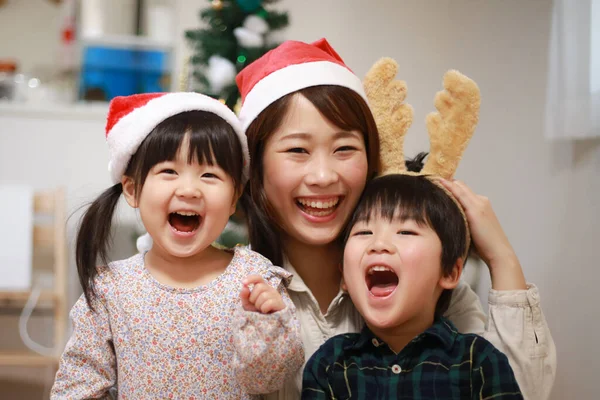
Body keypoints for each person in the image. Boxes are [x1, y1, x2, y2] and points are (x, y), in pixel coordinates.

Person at [235, 38, 556, 399]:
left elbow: (517, 389)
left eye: (344, 149)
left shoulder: (424, 286)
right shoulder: (234, 290)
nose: (323, 176)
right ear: (254, 167)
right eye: (297, 150)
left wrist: (501, 256)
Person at [50, 92, 304, 399]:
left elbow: (266, 381)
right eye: (169, 171)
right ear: (132, 189)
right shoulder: (113, 289)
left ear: (235, 196)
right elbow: (79, 384)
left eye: (209, 174)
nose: (189, 189)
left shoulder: (254, 279)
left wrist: (269, 324)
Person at [302, 168, 523, 399]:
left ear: (449, 272)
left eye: (406, 231)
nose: (378, 244)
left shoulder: (478, 362)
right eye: (364, 232)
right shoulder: (329, 364)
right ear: (344, 277)